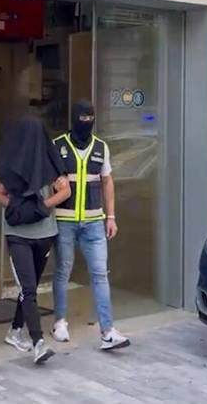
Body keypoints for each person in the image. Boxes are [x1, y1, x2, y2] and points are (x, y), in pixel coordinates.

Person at [51, 99, 130, 350]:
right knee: (63, 270)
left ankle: (107, 331)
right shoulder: (57, 146)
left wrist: (111, 216)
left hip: (94, 221)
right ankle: (59, 322)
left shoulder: (101, 148)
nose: (87, 123)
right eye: (82, 119)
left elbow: (107, 182)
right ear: (74, 119)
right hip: (64, 220)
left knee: (99, 274)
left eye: (90, 119)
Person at [0, 115, 71, 365]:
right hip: (19, 236)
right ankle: (38, 342)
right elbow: (0, 195)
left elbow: (66, 192)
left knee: (30, 290)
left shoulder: (52, 163)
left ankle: (15, 331)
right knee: (27, 289)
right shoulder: (10, 166)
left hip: (45, 234)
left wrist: (40, 206)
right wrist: (23, 209)